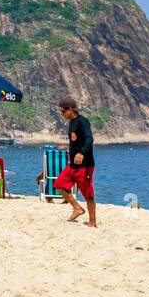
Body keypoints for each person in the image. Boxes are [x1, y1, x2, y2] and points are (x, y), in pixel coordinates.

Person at [52, 96, 96, 227]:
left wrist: (82, 153)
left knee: (88, 193)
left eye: (63, 111)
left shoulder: (83, 121)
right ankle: (77, 208)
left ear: (70, 109)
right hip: (73, 165)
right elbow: (77, 141)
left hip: (85, 165)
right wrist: (68, 148)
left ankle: (93, 222)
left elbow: (89, 139)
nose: (62, 114)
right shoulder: (72, 123)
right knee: (59, 184)